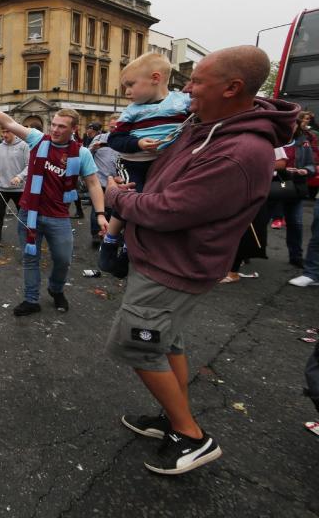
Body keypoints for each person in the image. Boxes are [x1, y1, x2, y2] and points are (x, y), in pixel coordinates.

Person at [104, 46, 296, 475]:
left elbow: (168, 209)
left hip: (174, 265)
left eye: (197, 82)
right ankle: (174, 419)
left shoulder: (239, 150)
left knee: (136, 343)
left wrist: (117, 197)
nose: (185, 87)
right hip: (161, 258)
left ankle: (192, 436)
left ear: (232, 88)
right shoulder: (204, 123)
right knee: (167, 341)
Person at [0, 96, 108, 316]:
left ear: (74, 129)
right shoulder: (38, 140)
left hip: (59, 217)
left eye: (61, 127)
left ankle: (56, 290)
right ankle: (31, 299)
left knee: (63, 259)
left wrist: (101, 214)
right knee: (30, 258)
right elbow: (8, 122)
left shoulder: (81, 153)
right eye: (53, 124)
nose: (55, 130)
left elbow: (93, 183)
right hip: (30, 214)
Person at [99, 53, 192, 278]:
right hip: (133, 164)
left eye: (130, 85)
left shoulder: (182, 103)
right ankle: (110, 241)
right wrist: (138, 143)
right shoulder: (131, 111)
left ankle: (129, 250)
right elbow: (115, 140)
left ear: (156, 78)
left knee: (150, 206)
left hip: (165, 165)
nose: (127, 92)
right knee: (131, 199)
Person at [271, 117, 315, 268]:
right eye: (287, 124)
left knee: (295, 223)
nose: (290, 127)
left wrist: (305, 170)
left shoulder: (303, 143)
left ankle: (295, 256)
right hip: (274, 186)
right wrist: (280, 170)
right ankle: (246, 253)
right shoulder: (272, 141)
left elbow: (311, 165)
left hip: (294, 187)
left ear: (297, 126)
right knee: (259, 221)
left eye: (293, 124)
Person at [0, 127, 29, 249]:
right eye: (3, 132)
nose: (4, 134)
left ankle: (27, 243)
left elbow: (30, 166)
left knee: (24, 217)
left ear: (14, 131)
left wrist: (19, 177)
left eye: (7, 131)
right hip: (1, 188)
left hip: (20, 189)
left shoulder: (24, 146)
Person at [87, 117, 119, 248]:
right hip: (99, 180)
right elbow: (86, 155)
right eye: (112, 127)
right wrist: (93, 149)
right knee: (97, 209)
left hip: (116, 182)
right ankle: (96, 234)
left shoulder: (125, 140)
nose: (114, 130)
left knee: (112, 210)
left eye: (117, 127)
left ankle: (109, 233)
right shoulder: (99, 139)